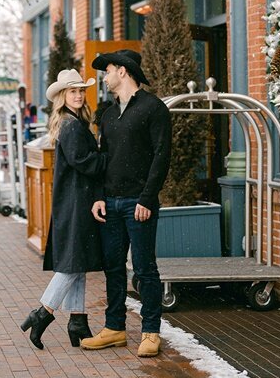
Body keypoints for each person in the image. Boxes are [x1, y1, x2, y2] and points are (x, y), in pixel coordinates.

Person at [81, 50, 171, 358]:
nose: (104, 77)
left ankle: (150, 331)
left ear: (123, 71)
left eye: (107, 71)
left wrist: (147, 197)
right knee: (114, 269)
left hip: (139, 203)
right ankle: (115, 328)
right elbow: (102, 159)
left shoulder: (153, 108)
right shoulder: (107, 114)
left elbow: (161, 156)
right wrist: (97, 196)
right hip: (111, 204)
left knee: (145, 269)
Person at [20, 69, 106, 351]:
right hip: (75, 204)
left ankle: (78, 322)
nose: (79, 95)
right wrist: (108, 157)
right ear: (62, 97)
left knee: (77, 263)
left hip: (74, 201)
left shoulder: (73, 123)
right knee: (71, 266)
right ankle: (42, 314)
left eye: (81, 90)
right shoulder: (71, 126)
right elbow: (85, 162)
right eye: (73, 92)